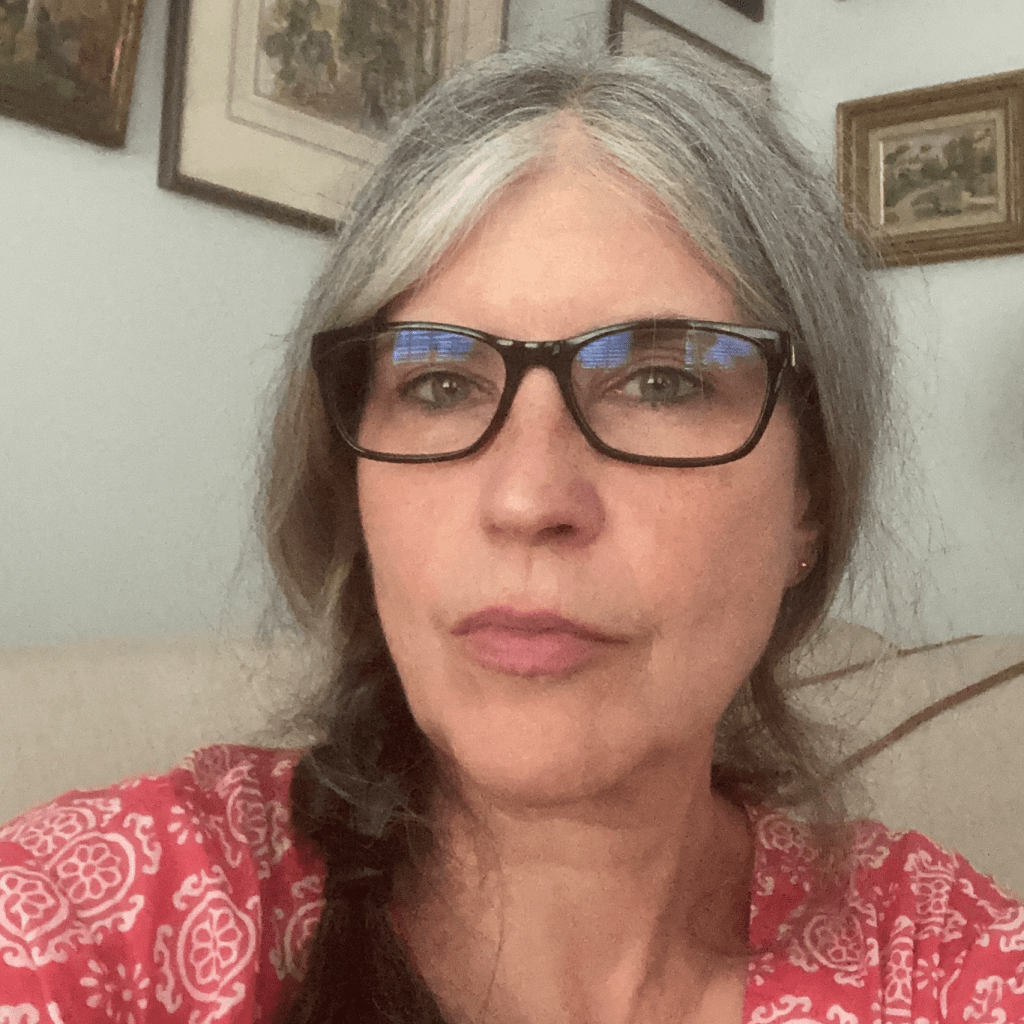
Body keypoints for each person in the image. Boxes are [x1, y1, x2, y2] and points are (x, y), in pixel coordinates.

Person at [2, 45, 1022, 1024]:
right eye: (440, 385)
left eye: (661, 383)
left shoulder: (942, 964)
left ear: (812, 498)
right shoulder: (109, 913)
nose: (528, 498)